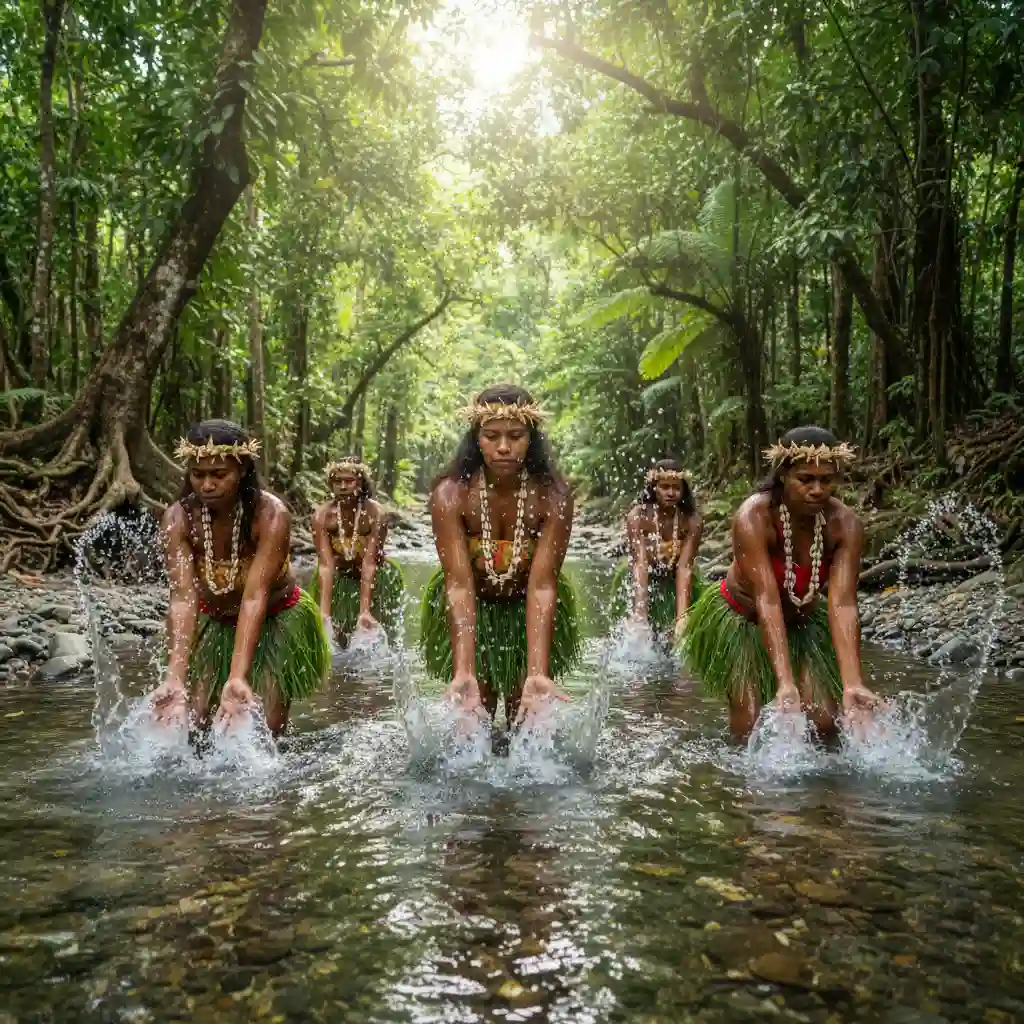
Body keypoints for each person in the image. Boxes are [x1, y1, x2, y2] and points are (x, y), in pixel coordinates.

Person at [680, 425, 880, 740]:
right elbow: (768, 600)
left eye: (826, 480)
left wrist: (853, 682)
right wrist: (786, 683)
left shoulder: (845, 526)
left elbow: (842, 604)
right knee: (750, 723)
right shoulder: (754, 516)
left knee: (825, 722)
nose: (817, 489)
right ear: (784, 475)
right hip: (743, 619)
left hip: (801, 622)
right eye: (806, 479)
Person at [148, 419, 330, 738]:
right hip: (214, 618)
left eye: (219, 475)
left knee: (265, 728)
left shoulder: (271, 515)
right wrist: (174, 677)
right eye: (198, 474)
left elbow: (254, 595)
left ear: (242, 470)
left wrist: (237, 678)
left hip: (275, 617)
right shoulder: (178, 518)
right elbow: (182, 597)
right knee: (196, 723)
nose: (206, 485)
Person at [419, 384, 582, 728]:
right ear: (476, 438)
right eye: (491, 436)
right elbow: (459, 584)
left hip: (530, 608)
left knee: (527, 714)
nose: (504, 447)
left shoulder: (554, 497)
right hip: (472, 606)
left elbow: (542, 586)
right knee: (475, 713)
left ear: (532, 438)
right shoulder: (450, 495)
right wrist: (464, 670)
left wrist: (538, 672)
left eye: (516, 435)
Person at [310, 457, 404, 646]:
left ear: (360, 483)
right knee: (338, 637)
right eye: (338, 481)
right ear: (331, 484)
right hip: (339, 578)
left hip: (374, 579)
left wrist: (364, 610)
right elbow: (326, 565)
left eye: (349, 481)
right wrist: (324, 614)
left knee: (372, 632)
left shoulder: (375, 513)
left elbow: (370, 563)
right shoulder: (322, 515)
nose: (343, 486)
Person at [610, 458, 704, 643]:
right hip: (644, 580)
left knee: (680, 635)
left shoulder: (692, 521)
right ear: (654, 487)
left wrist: (682, 617)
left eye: (676, 487)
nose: (671, 492)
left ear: (684, 490)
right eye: (665, 486)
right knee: (637, 632)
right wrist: (640, 614)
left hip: (677, 580)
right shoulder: (638, 516)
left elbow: (684, 567)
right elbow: (640, 563)